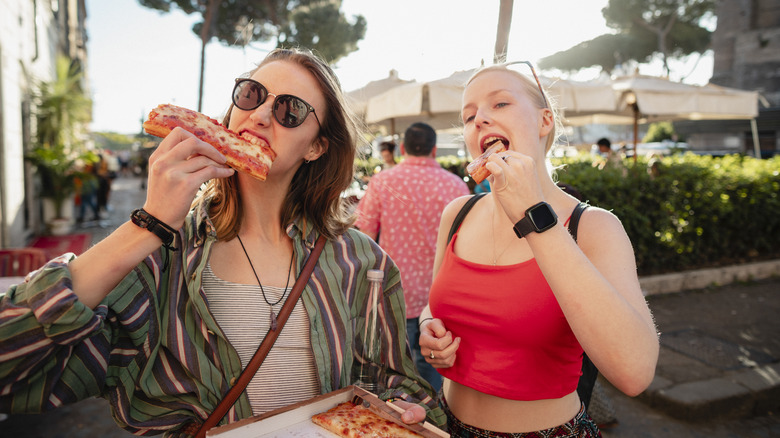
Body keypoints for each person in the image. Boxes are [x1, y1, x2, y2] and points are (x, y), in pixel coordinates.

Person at [0, 47, 444, 436]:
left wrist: (406, 410)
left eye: (290, 110)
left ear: (316, 147)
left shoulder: (362, 261)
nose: (261, 115)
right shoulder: (162, 255)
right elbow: (12, 368)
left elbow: (400, 386)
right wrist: (148, 223)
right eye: (251, 94)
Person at [418, 62, 658, 437]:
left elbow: (635, 372)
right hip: (445, 423)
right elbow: (436, 303)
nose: (479, 119)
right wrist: (428, 326)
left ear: (545, 121)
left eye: (499, 105)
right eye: (468, 116)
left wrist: (534, 216)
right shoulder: (457, 213)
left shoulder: (594, 227)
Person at [354, 122, 469, 392]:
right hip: (441, 295)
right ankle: (433, 421)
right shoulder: (456, 186)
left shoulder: (383, 181)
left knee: (396, 369)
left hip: (395, 292)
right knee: (433, 367)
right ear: (434, 149)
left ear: (403, 148)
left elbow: (365, 234)